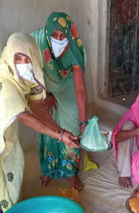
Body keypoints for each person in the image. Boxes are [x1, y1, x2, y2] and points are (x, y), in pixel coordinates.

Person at [0, 33, 79, 213]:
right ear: (9, 56)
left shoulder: (33, 75)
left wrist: (60, 132)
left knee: (2, 161)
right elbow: (26, 117)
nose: (23, 64)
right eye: (18, 58)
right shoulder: (4, 81)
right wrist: (59, 136)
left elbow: (38, 106)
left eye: (27, 58)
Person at [31, 12, 87, 190]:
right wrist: (46, 95)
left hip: (67, 84)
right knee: (47, 124)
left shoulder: (75, 48)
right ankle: (49, 169)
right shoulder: (36, 43)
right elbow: (31, 74)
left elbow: (80, 88)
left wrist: (84, 122)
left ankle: (71, 172)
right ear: (47, 33)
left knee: (71, 124)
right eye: (54, 35)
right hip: (44, 83)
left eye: (63, 35)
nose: (59, 40)